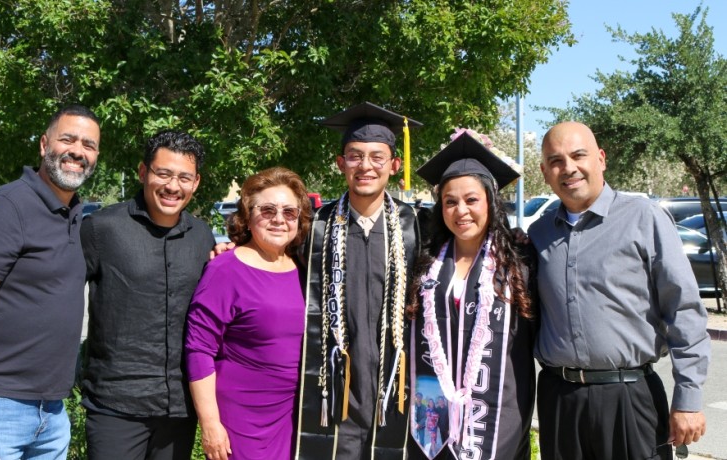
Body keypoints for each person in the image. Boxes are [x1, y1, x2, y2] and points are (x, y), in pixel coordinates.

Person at [530, 121, 710, 460]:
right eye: (555, 161)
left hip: (629, 399)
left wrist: (688, 399)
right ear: (544, 172)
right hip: (559, 403)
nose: (568, 168)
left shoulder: (644, 218)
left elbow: (684, 309)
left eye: (578, 155)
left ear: (601, 158)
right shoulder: (538, 234)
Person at [0, 104, 100, 458]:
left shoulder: (74, 214)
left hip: (51, 413)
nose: (78, 151)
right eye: (68, 139)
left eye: (88, 145)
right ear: (44, 145)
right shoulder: (8, 205)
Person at [295, 102, 422, 460]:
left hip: (397, 389)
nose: (366, 166)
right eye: (354, 156)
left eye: (377, 157)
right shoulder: (313, 228)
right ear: (340, 163)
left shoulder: (417, 227)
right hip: (335, 392)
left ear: (394, 165)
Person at [80, 131, 214, 460]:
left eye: (184, 177)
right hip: (116, 405)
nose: (173, 186)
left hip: (179, 408)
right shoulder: (101, 228)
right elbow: (57, 296)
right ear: (143, 172)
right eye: (163, 173)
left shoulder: (202, 237)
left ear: (196, 183)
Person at [406, 129, 537, 460]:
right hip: (434, 420)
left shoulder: (519, 261)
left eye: (471, 200)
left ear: (491, 201)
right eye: (450, 202)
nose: (461, 210)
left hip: (499, 414)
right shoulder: (426, 262)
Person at [185, 167, 312, 460]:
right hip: (243, 419)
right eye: (267, 210)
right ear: (247, 215)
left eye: (289, 212)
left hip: (296, 416)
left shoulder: (305, 268)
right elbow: (199, 349)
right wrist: (210, 423)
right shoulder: (225, 269)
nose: (279, 219)